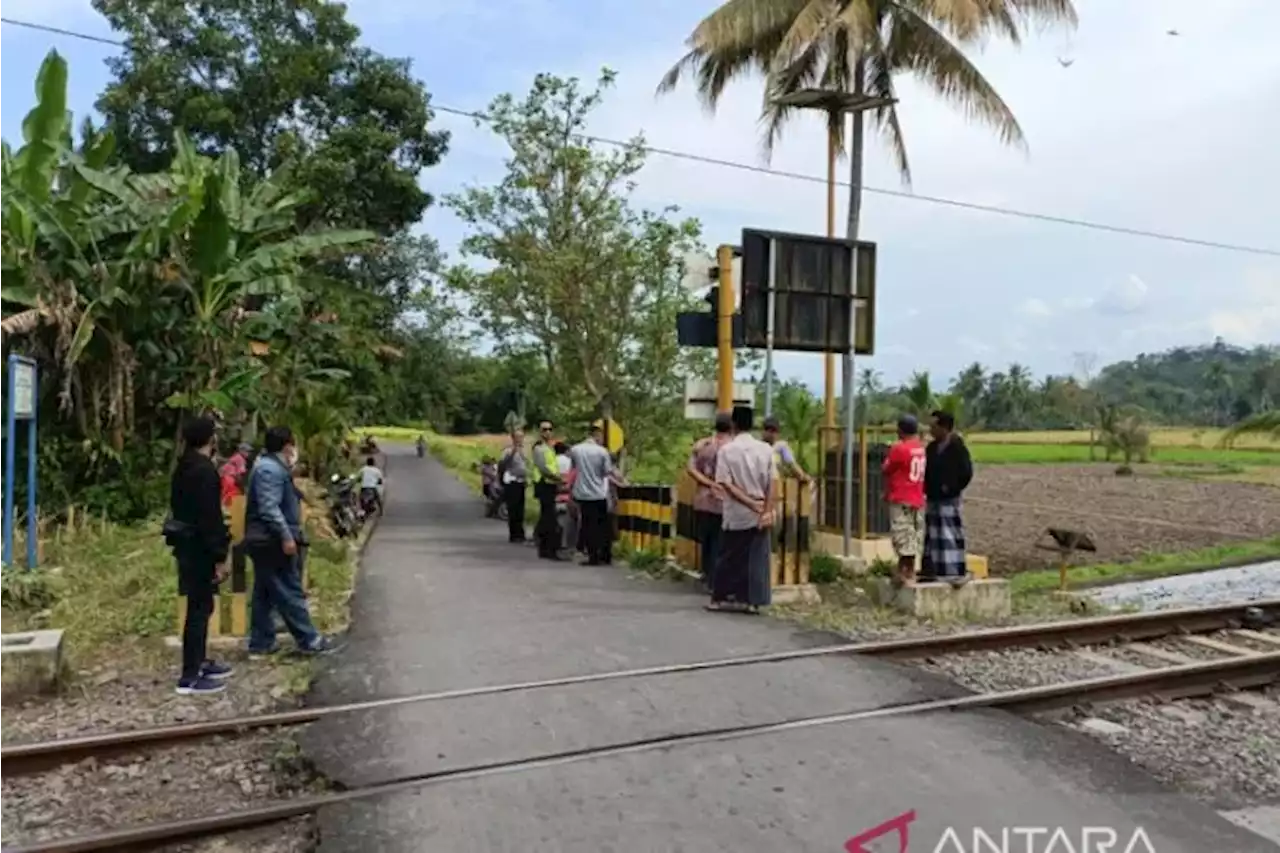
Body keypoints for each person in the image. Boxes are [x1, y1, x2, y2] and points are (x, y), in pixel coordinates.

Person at [244, 426, 337, 655]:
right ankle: (309, 640)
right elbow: (269, 508)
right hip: (271, 540)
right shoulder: (270, 470)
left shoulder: (271, 467)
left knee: (265, 593)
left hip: (264, 538)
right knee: (289, 589)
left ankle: (261, 642)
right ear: (287, 445)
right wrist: (286, 536)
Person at [165, 416, 234, 695]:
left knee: (201, 606)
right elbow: (210, 518)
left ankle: (200, 662)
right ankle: (190, 676)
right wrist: (220, 554)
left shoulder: (184, 466)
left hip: (186, 544)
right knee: (199, 609)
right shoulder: (204, 471)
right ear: (210, 439)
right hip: (200, 548)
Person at [707, 405, 775, 614]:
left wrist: (748, 503)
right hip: (761, 508)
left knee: (729, 555)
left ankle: (720, 598)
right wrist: (766, 510)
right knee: (756, 557)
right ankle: (752, 601)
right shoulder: (766, 449)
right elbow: (773, 483)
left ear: (733, 424)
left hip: (736, 511)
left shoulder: (727, 451)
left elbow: (725, 483)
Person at [924, 409, 974, 588]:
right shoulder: (931, 448)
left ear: (944, 427)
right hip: (932, 497)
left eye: (933, 426)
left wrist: (950, 488)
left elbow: (966, 473)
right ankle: (934, 570)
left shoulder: (957, 448)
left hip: (949, 499)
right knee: (933, 536)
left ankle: (953, 571)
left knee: (949, 534)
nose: (930, 430)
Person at [686, 412, 732, 591]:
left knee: (707, 541)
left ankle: (707, 575)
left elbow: (690, 468)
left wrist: (707, 483)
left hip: (703, 500)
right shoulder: (733, 448)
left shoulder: (703, 445)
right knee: (721, 543)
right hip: (724, 501)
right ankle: (716, 580)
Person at [883, 414, 927, 587]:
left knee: (901, 532)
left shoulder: (899, 449)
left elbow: (887, 468)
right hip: (917, 496)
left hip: (901, 496)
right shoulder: (921, 448)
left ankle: (904, 572)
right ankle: (908, 569)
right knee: (914, 533)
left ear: (900, 430)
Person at [570, 423, 623, 566]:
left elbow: (574, 468)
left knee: (587, 524)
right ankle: (603, 555)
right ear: (597, 436)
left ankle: (592, 555)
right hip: (599, 494)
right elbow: (607, 472)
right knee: (601, 525)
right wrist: (620, 479)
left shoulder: (575, 449)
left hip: (582, 493)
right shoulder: (602, 452)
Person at [530, 420, 564, 560]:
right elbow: (543, 468)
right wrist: (558, 478)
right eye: (544, 429)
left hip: (551, 484)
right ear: (540, 432)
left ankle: (544, 547)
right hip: (544, 484)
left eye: (549, 429)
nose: (547, 432)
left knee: (547, 517)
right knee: (549, 518)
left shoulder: (549, 448)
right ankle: (548, 548)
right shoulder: (539, 448)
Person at [761, 415, 813, 486]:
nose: (771, 434)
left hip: (776, 484)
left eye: (774, 431)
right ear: (763, 431)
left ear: (778, 433)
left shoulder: (781, 447)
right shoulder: (756, 447)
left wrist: (802, 476)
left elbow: (791, 464)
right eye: (768, 430)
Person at [498, 430, 529, 543]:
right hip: (512, 481)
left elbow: (527, 463)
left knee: (521, 509)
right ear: (513, 438)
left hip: (522, 481)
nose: (520, 439)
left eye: (521, 437)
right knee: (513, 508)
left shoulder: (524, 450)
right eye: (517, 437)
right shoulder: (508, 450)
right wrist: (512, 452)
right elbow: (503, 463)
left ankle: (520, 533)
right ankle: (514, 534)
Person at [219, 442, 252, 507]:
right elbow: (239, 475)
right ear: (241, 450)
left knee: (225, 497)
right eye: (247, 451)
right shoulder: (241, 459)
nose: (249, 453)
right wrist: (242, 488)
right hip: (230, 479)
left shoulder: (236, 457)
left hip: (224, 477)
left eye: (249, 451)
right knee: (233, 497)